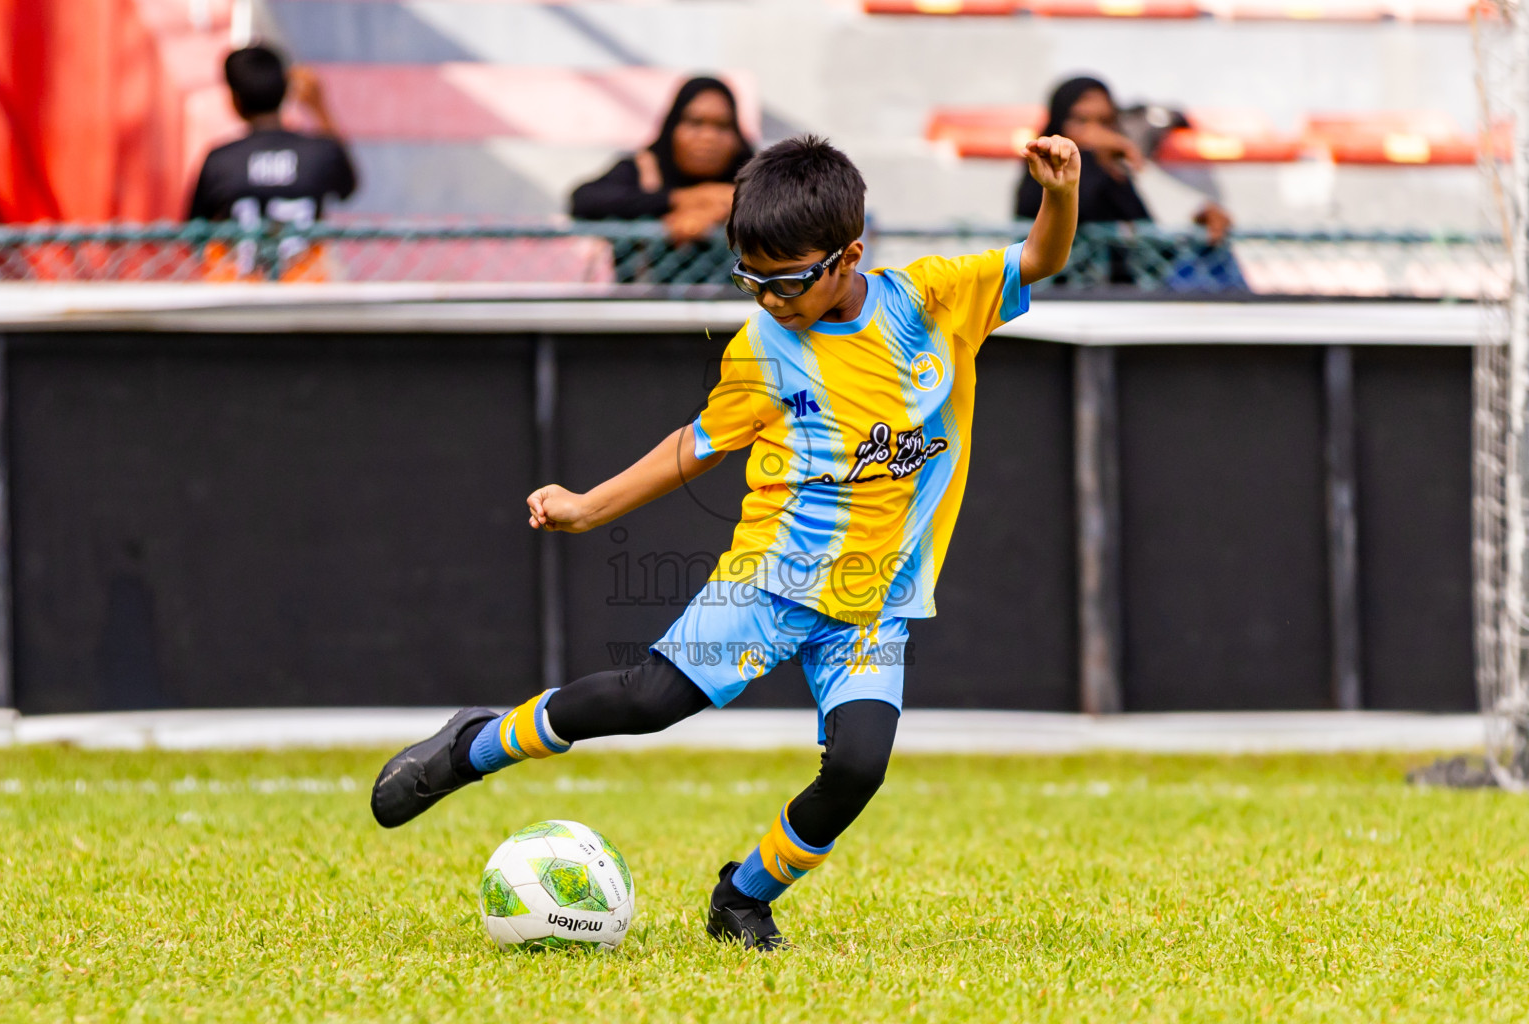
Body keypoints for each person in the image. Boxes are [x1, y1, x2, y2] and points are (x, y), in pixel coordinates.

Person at [371, 133, 1080, 951]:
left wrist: (1059, 192)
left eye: (787, 280)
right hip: (770, 581)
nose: (768, 297)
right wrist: (590, 507)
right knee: (648, 705)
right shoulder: (762, 348)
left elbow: (1042, 256)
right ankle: (477, 743)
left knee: (857, 769)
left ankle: (742, 897)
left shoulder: (934, 301)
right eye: (750, 278)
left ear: (850, 254)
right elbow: (694, 445)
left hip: (872, 607)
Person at [1016, 76, 1236, 288]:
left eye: (1105, 122)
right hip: (1061, 291)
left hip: (1131, 289)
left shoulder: (1114, 171)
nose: (1094, 132)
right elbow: (1071, 207)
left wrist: (1198, 224)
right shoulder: (1039, 172)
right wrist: (1092, 159)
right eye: (1081, 121)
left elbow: (1150, 234)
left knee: (1215, 252)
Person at [570, 77, 754, 245]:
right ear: (672, 127)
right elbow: (584, 199)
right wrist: (679, 199)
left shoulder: (751, 174)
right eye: (695, 123)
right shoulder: (646, 166)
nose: (708, 137)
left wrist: (719, 210)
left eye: (722, 126)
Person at [187, 45, 357, 226]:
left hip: (239, 254)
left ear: (236, 100)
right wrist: (319, 108)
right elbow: (347, 187)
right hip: (301, 254)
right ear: (285, 90)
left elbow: (195, 228)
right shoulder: (319, 152)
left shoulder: (220, 161)